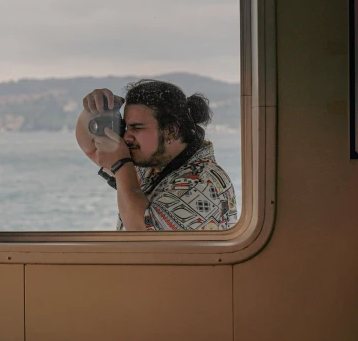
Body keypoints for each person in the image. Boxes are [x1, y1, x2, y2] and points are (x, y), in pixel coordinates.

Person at [75, 79, 238, 231]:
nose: (126, 136)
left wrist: (121, 164)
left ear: (171, 131)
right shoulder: (155, 165)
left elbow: (145, 235)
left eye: (137, 128)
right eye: (126, 127)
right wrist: (94, 109)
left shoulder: (200, 184)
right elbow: (92, 148)